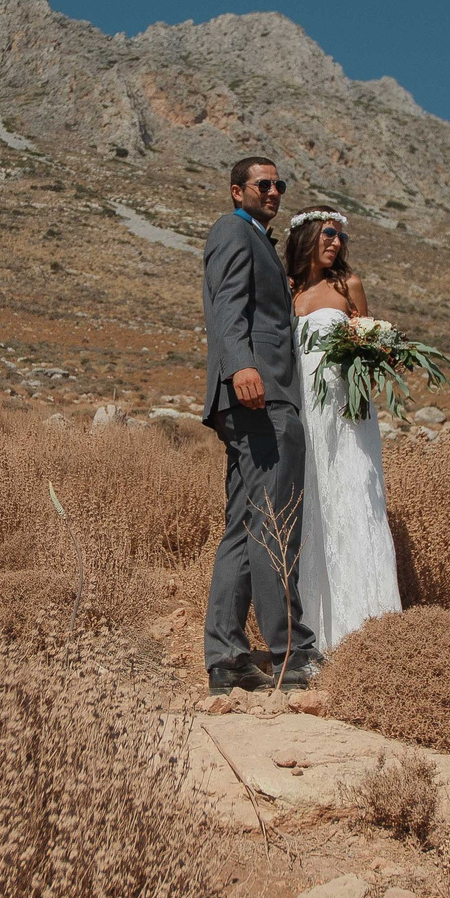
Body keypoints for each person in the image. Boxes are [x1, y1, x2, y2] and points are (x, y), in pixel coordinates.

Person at [200, 156, 319, 692]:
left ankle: (226, 658)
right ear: (236, 191)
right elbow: (228, 305)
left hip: (251, 397)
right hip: (259, 393)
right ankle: (292, 653)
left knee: (243, 527)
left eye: (280, 184)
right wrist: (243, 365)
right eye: (263, 184)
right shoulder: (234, 230)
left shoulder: (259, 239)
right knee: (276, 520)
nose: (274, 191)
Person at [284, 210, 402, 649]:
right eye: (328, 233)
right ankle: (313, 634)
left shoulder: (347, 285)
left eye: (341, 235)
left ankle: (368, 633)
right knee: (314, 504)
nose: (336, 241)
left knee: (355, 498)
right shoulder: (291, 290)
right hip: (306, 413)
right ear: (308, 237)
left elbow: (370, 346)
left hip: (347, 412)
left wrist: (371, 357)